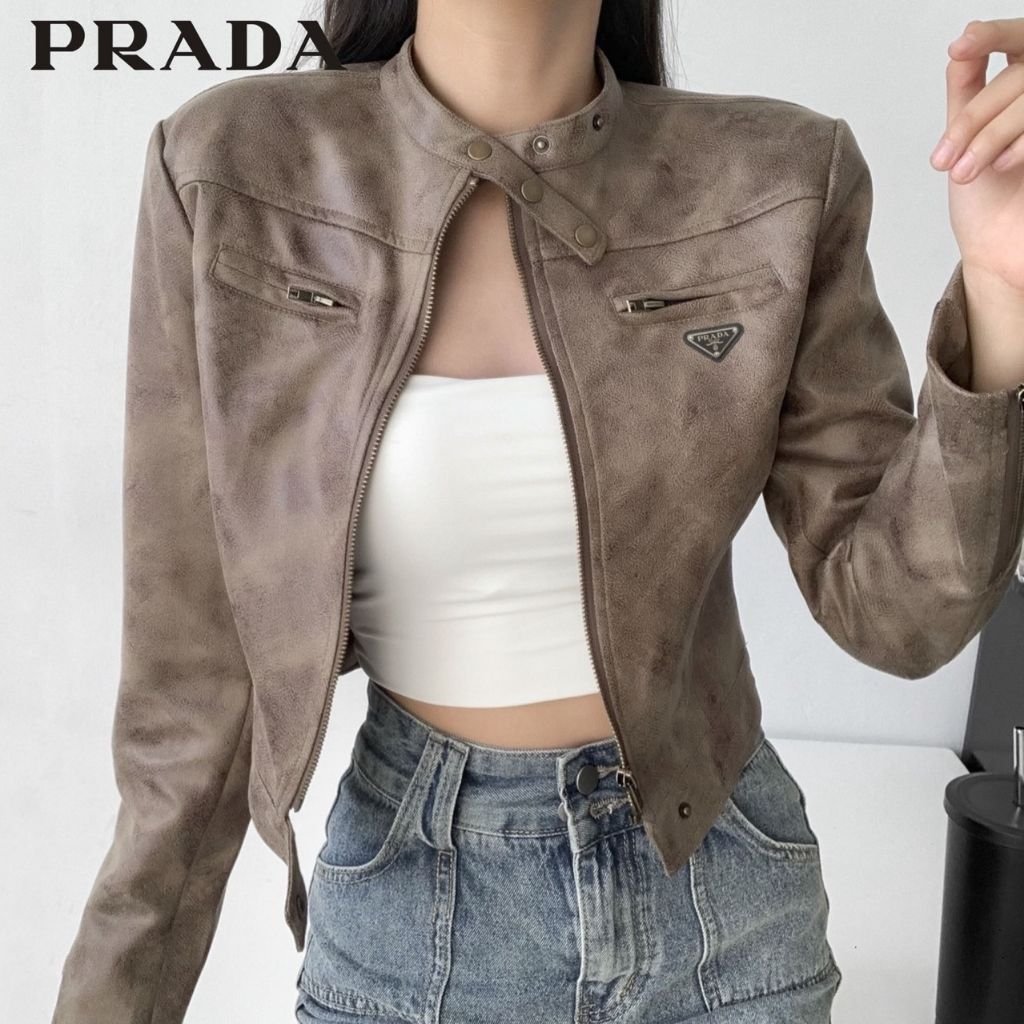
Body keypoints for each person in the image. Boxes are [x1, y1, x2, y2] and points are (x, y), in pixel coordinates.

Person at [51, 2, 1024, 1023]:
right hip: (413, 913)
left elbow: (898, 618)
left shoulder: (774, 174)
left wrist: (1001, 293)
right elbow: (192, 688)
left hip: (720, 903)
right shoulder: (233, 167)